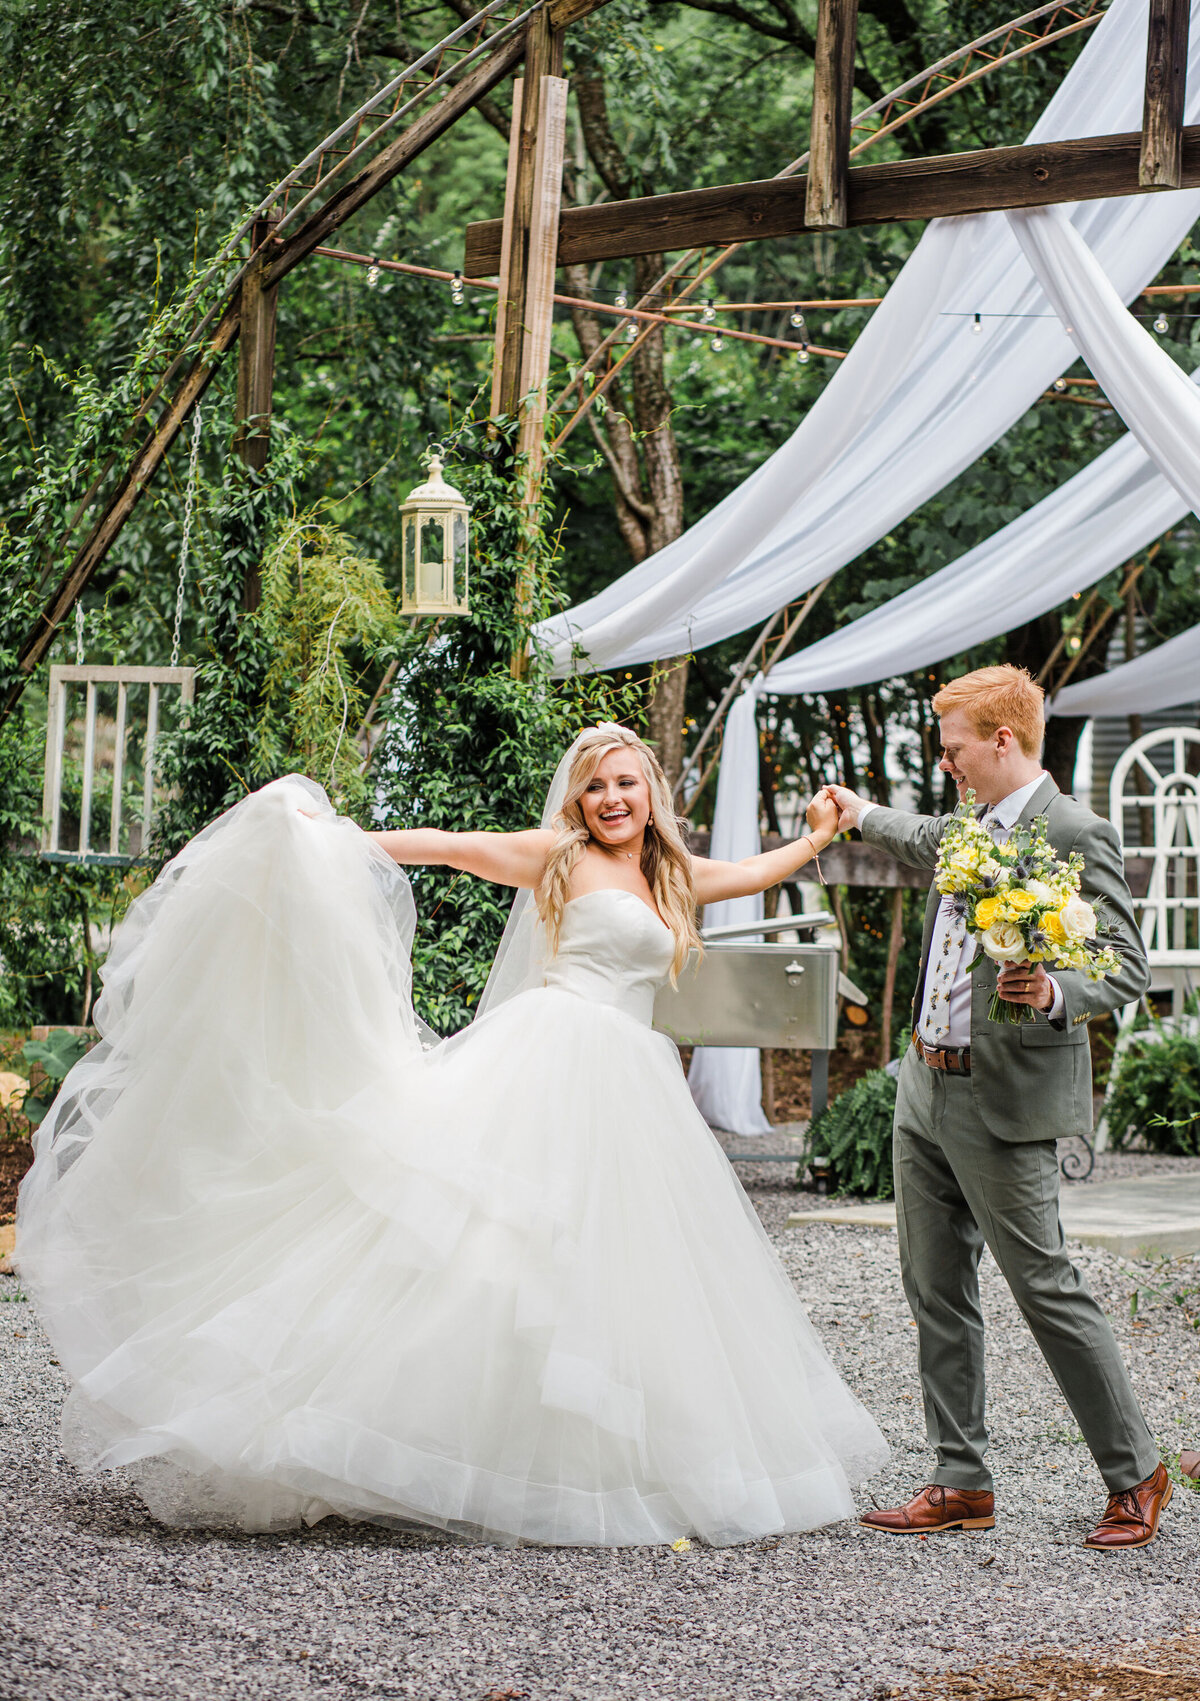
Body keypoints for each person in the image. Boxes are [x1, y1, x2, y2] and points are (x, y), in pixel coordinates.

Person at [17, 723, 887, 1548]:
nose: (611, 798)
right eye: (595, 786)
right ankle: (370, 1424)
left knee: (605, 1271)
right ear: (577, 800)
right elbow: (447, 843)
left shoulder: (669, 874)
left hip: (630, 1082)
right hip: (553, 1058)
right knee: (485, 1250)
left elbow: (745, 870)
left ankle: (571, 1450)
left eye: (626, 783)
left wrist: (815, 839)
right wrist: (341, 838)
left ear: (651, 793)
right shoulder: (561, 856)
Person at [823, 665, 1177, 1552]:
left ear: (1003, 741)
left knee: (1044, 1285)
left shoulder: (1074, 831)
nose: (947, 763)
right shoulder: (968, 826)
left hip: (1004, 1099)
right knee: (934, 1285)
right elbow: (917, 836)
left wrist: (1057, 986)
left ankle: (1136, 1472)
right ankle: (959, 1480)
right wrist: (858, 813)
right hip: (923, 1086)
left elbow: (1128, 966)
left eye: (953, 749)